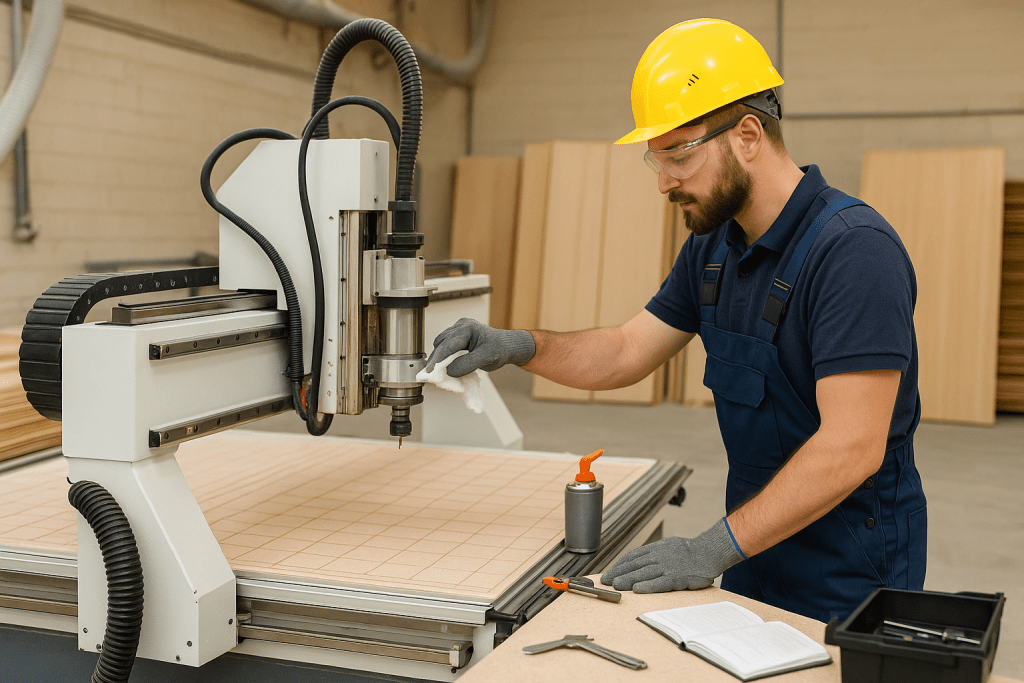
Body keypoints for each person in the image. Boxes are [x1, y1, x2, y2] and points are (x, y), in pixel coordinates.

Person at [424, 18, 926, 623]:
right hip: (754, 552)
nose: (664, 182)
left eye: (679, 155)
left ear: (747, 135)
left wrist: (709, 549)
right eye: (655, 159)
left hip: (851, 578)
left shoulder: (854, 252)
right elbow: (626, 351)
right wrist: (519, 345)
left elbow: (852, 448)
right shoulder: (713, 248)